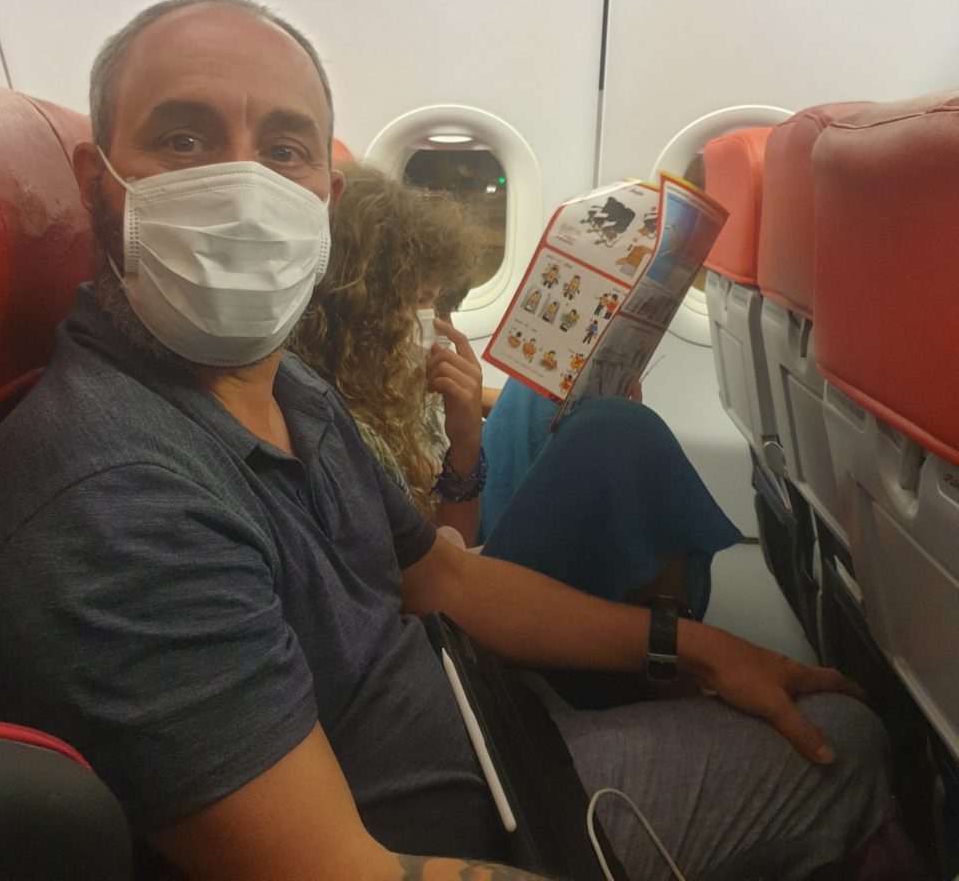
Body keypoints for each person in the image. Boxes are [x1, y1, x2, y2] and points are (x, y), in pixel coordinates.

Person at [0, 0, 891, 881]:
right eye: (182, 138)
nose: (242, 184)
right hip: (488, 828)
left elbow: (446, 579)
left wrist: (694, 648)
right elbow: (342, 870)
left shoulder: (286, 382)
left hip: (488, 724)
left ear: (326, 201)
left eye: (283, 149)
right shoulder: (110, 501)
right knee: (851, 747)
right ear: (95, 183)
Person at [292, 166, 738, 627]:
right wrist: (465, 442)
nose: (433, 318)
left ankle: (650, 601)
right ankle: (664, 632)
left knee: (543, 393)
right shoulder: (341, 434)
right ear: (366, 310)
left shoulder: (367, 377)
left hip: (454, 532)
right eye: (421, 300)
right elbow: (446, 568)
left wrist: (480, 403)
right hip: (454, 577)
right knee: (620, 432)